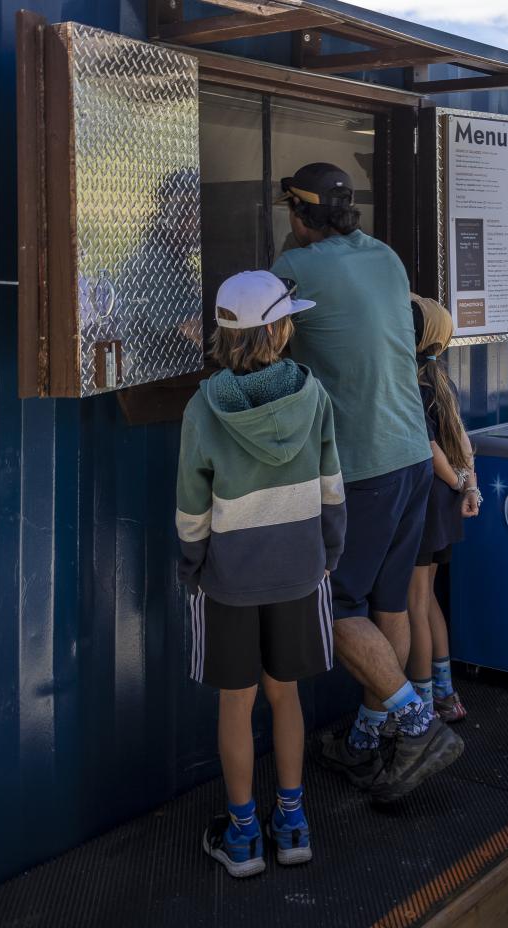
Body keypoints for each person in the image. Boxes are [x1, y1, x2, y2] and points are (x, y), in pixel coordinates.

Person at [271, 162, 462, 803]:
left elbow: (257, 342)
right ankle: (366, 741)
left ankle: (417, 723)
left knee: (333, 606)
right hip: (412, 458)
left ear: (300, 216)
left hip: (363, 470)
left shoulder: (295, 269)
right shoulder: (385, 256)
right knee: (387, 603)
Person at [175, 272, 343, 876]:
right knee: (286, 696)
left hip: (229, 583)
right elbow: (331, 487)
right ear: (276, 330)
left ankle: (243, 835)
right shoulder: (313, 394)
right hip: (300, 573)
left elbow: (192, 509)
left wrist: (192, 568)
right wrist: (329, 551)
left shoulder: (203, 406)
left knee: (236, 705)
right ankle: (293, 823)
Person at [407, 294, 481, 723]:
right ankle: (445, 692)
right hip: (447, 504)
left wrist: (455, 482)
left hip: (429, 501)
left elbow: (430, 445)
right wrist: (468, 486)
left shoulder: (411, 385)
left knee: (413, 603)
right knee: (429, 599)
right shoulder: (441, 380)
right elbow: (461, 441)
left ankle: (420, 704)